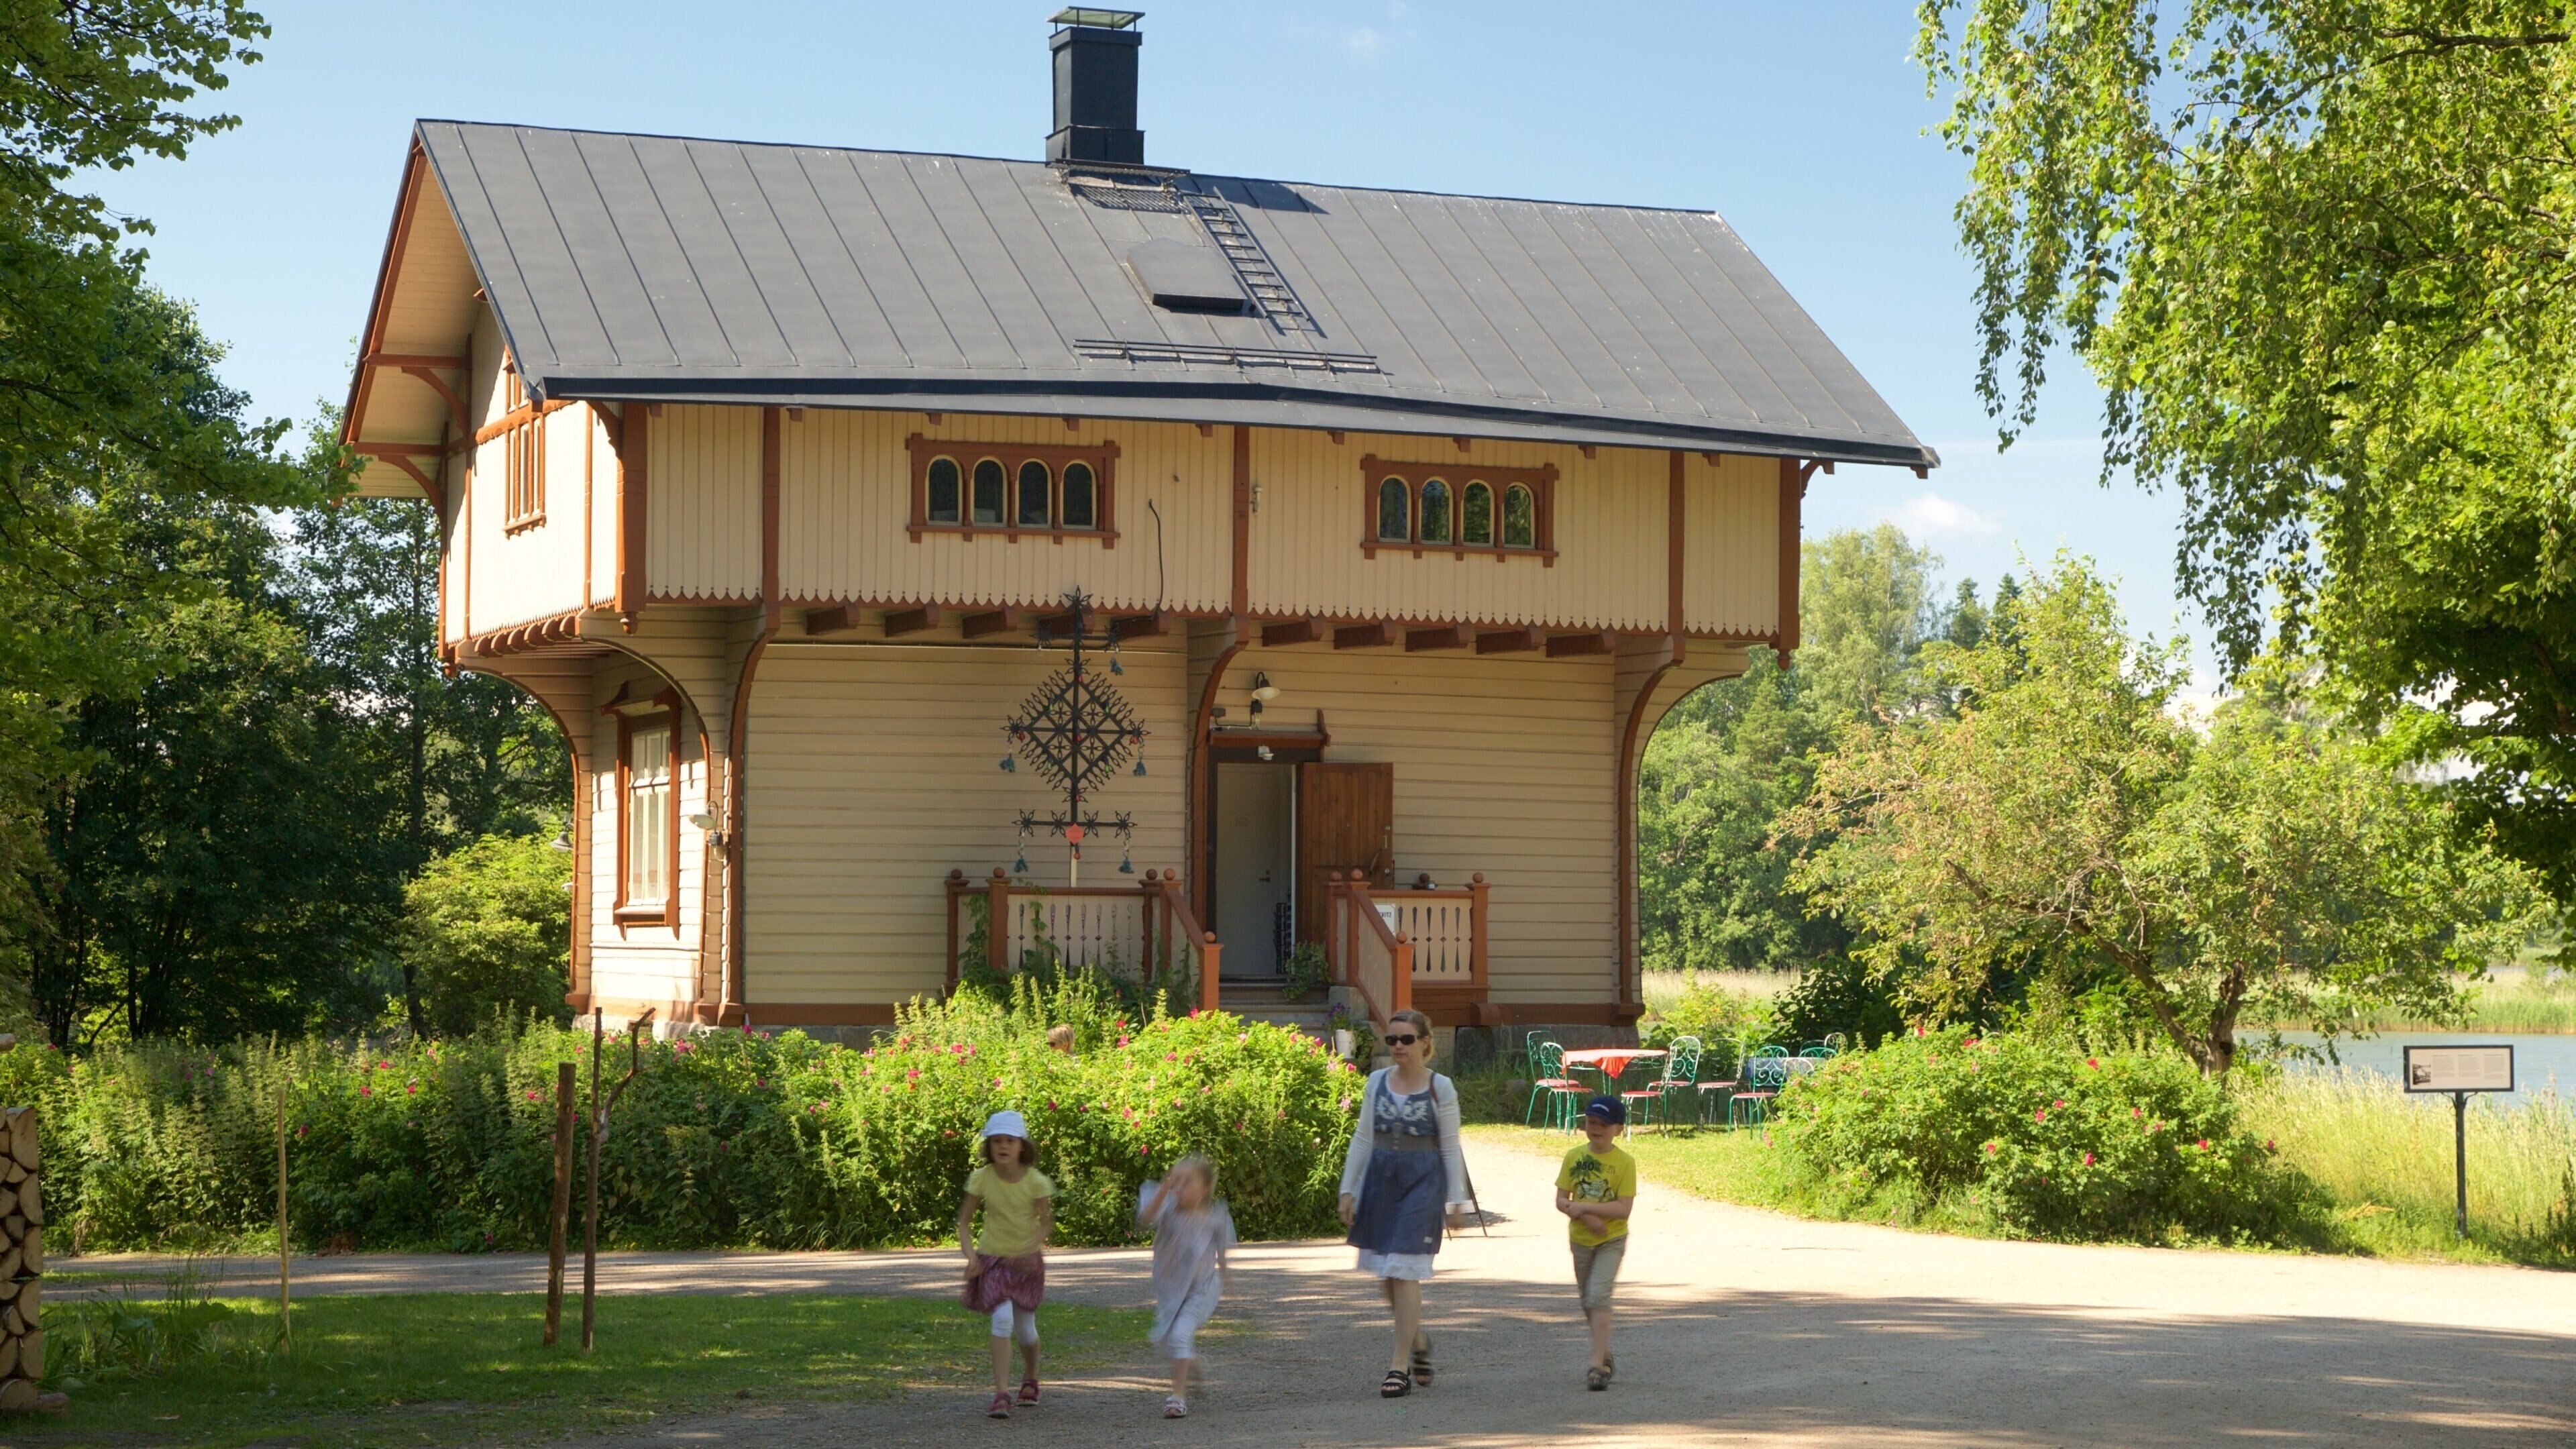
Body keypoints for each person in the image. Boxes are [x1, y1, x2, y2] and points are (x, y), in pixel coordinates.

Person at [1337, 1008, 1471, 1398]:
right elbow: (1363, 1138)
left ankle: (1399, 1366)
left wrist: (1457, 1201)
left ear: (1425, 1042)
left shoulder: (1440, 1087)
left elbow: (1451, 1147)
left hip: (1422, 1184)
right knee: (1387, 1273)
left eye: (1406, 1039)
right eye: (1392, 1039)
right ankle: (1418, 1340)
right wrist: (1348, 1189)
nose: (1398, 1046)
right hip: (1381, 1182)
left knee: (1404, 1268)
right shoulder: (1377, 1081)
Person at [959, 1109, 1054, 1419]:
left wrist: (1030, 1246)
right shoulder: (981, 1178)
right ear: (989, 1146)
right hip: (993, 1261)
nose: (1003, 1146)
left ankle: (1031, 1377)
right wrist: (972, 1257)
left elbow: (1046, 1224)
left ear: (1022, 1146)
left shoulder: (1037, 1182)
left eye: (1010, 1141)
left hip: (1026, 1265)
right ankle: (1001, 1394)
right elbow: (964, 1223)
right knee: (1001, 1320)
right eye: (997, 1140)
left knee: (1026, 1331)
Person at [1138, 1153, 1236, 1419]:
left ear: (1205, 1189)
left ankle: (1177, 1397)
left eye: (1187, 1181)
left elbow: (1221, 1250)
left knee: (1180, 1336)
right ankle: (1193, 1363)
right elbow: (1146, 1218)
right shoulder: (1168, 1209)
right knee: (1168, 1342)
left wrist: (1227, 1276)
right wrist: (1164, 1190)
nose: (1179, 1187)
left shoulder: (1215, 1218)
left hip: (1200, 1290)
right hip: (1171, 1289)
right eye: (1176, 1180)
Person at [1556, 1095, 1637, 1390]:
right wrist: (1586, 1216)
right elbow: (1561, 1199)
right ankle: (1605, 1354)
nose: (1596, 1129)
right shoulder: (1574, 1157)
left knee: (1598, 1296)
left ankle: (1596, 1366)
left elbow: (1623, 1209)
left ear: (1618, 1129)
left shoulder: (1625, 1163)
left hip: (1611, 1239)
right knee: (1588, 1302)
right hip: (1580, 1241)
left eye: (1604, 1124)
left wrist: (1586, 1209)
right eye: (1591, 1122)